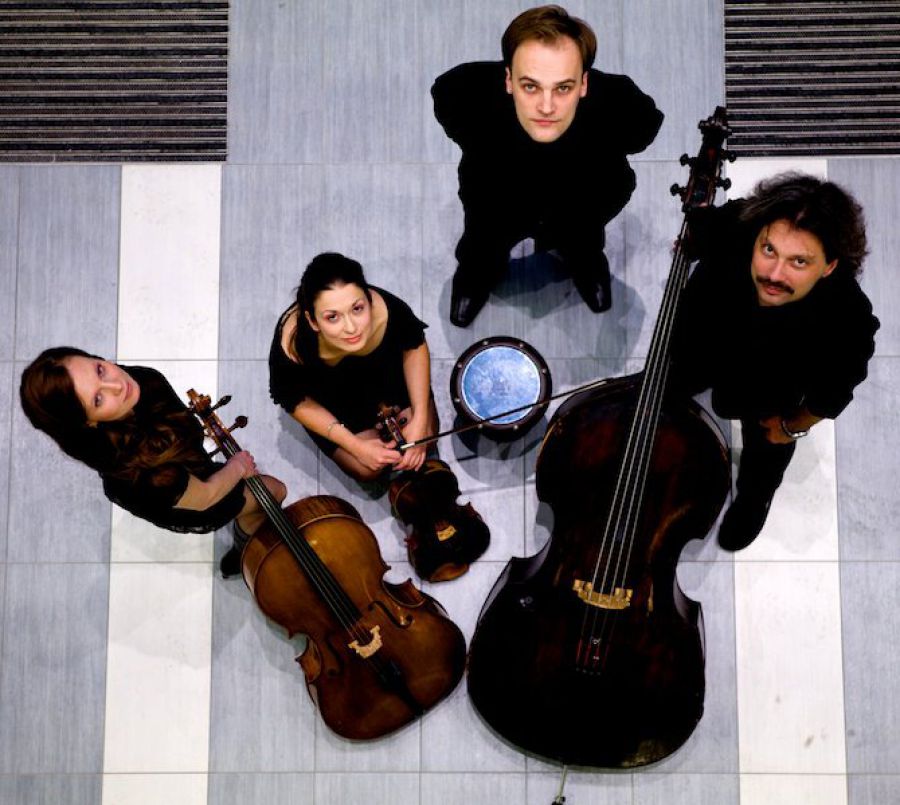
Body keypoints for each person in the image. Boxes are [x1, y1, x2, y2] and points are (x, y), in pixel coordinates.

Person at [670, 173, 879, 551]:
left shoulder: (848, 318)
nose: (774, 275)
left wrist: (790, 427)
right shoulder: (740, 223)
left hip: (769, 388)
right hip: (701, 347)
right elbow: (702, 231)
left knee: (765, 455)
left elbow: (834, 391)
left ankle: (755, 498)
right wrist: (693, 242)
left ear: (829, 266)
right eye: (769, 250)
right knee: (667, 393)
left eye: (799, 261)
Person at [431, 4, 664, 327]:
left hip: (581, 200)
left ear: (584, 83)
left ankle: (587, 266)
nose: (546, 106)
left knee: (584, 243)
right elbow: (448, 106)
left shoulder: (620, 104)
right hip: (496, 195)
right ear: (508, 79)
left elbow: (642, 133)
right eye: (530, 86)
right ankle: (475, 276)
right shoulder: (464, 93)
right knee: (482, 246)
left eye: (563, 87)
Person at [268, 252, 489, 581]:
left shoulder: (389, 311)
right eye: (332, 317)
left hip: (387, 382)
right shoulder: (292, 348)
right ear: (312, 321)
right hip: (336, 402)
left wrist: (419, 417)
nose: (351, 327)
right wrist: (354, 444)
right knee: (367, 468)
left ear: (369, 298)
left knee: (426, 435)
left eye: (358, 309)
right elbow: (295, 401)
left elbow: (414, 347)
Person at [20, 347, 287, 577]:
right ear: (88, 423)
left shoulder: (144, 381)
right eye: (98, 399)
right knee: (276, 491)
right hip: (191, 497)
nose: (117, 386)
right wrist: (238, 466)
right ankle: (243, 549)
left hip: (186, 475)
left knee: (266, 498)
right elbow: (205, 497)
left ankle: (246, 538)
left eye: (100, 370)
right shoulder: (139, 475)